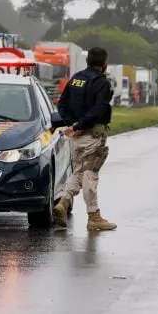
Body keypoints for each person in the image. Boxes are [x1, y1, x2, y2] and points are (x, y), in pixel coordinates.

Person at [53, 47, 117, 231]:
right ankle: (94, 216)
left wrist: (71, 124)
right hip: (91, 136)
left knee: (78, 172)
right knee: (90, 174)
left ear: (87, 61)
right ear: (104, 63)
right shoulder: (101, 83)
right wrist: (80, 125)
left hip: (75, 137)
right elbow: (98, 109)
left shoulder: (76, 79)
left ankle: (63, 203)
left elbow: (62, 103)